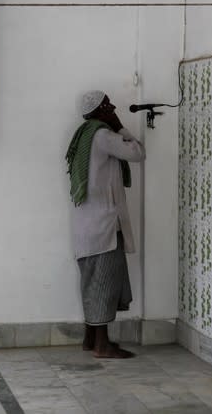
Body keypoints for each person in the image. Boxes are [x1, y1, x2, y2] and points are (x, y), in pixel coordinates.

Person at [65, 90, 146, 359]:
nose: (112, 108)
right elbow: (136, 152)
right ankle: (102, 345)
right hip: (104, 225)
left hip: (86, 224)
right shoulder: (103, 135)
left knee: (90, 281)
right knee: (104, 283)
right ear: (100, 111)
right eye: (108, 105)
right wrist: (120, 125)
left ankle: (90, 339)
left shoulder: (83, 134)